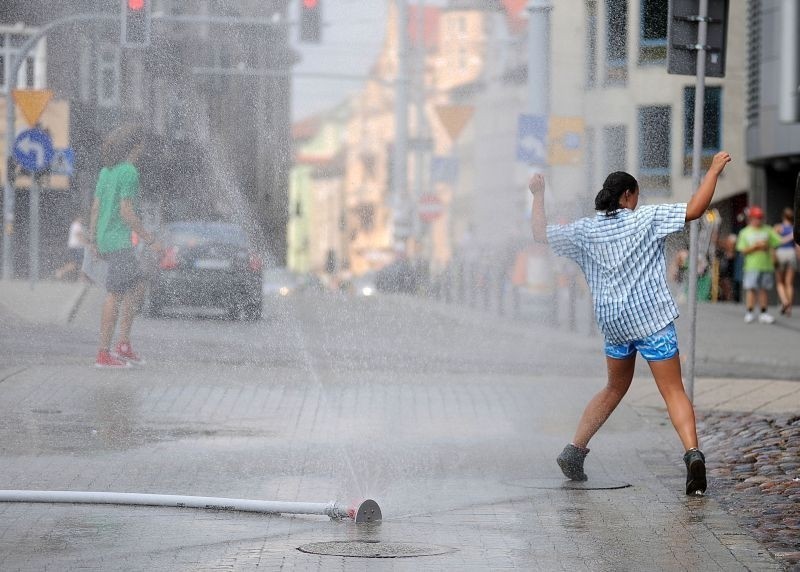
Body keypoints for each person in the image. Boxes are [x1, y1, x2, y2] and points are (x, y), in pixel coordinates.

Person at [529, 151, 732, 496]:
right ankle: (693, 455)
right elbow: (696, 208)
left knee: (613, 387)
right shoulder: (646, 219)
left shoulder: (585, 230)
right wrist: (712, 170)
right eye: (636, 196)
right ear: (627, 196)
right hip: (651, 319)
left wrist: (537, 194)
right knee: (673, 391)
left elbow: (539, 234)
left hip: (615, 324)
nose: (638, 202)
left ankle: (574, 451)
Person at [88, 125, 160, 368]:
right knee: (115, 294)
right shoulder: (129, 171)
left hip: (107, 239)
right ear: (135, 146)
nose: (143, 149)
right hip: (119, 241)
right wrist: (150, 239)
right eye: (141, 144)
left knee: (137, 285)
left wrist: (93, 239)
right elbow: (126, 212)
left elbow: (96, 208)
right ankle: (104, 354)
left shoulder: (106, 172)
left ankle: (123, 345)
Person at [735, 206, 782, 324]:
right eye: (756, 218)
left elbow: (778, 241)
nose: (759, 220)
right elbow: (742, 250)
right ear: (751, 218)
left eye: (760, 217)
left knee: (763, 289)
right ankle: (749, 312)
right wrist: (755, 247)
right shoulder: (745, 232)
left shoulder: (768, 230)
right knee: (751, 289)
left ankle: (764, 313)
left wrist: (769, 242)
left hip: (766, 264)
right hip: (751, 265)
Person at [774, 207, 797, 316]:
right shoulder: (794, 228)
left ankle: (785, 301)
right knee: (789, 283)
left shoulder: (778, 227)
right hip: (791, 253)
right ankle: (789, 308)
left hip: (780, 253)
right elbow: (797, 246)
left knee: (779, 282)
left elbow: (773, 241)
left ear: (783, 216)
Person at [54, 215, 87, 281]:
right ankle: (61, 272)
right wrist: (86, 244)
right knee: (77, 263)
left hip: (75, 247)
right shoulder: (77, 225)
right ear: (78, 217)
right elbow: (79, 236)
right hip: (76, 247)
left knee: (79, 263)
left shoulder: (74, 225)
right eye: (82, 217)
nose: (83, 219)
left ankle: (82, 277)